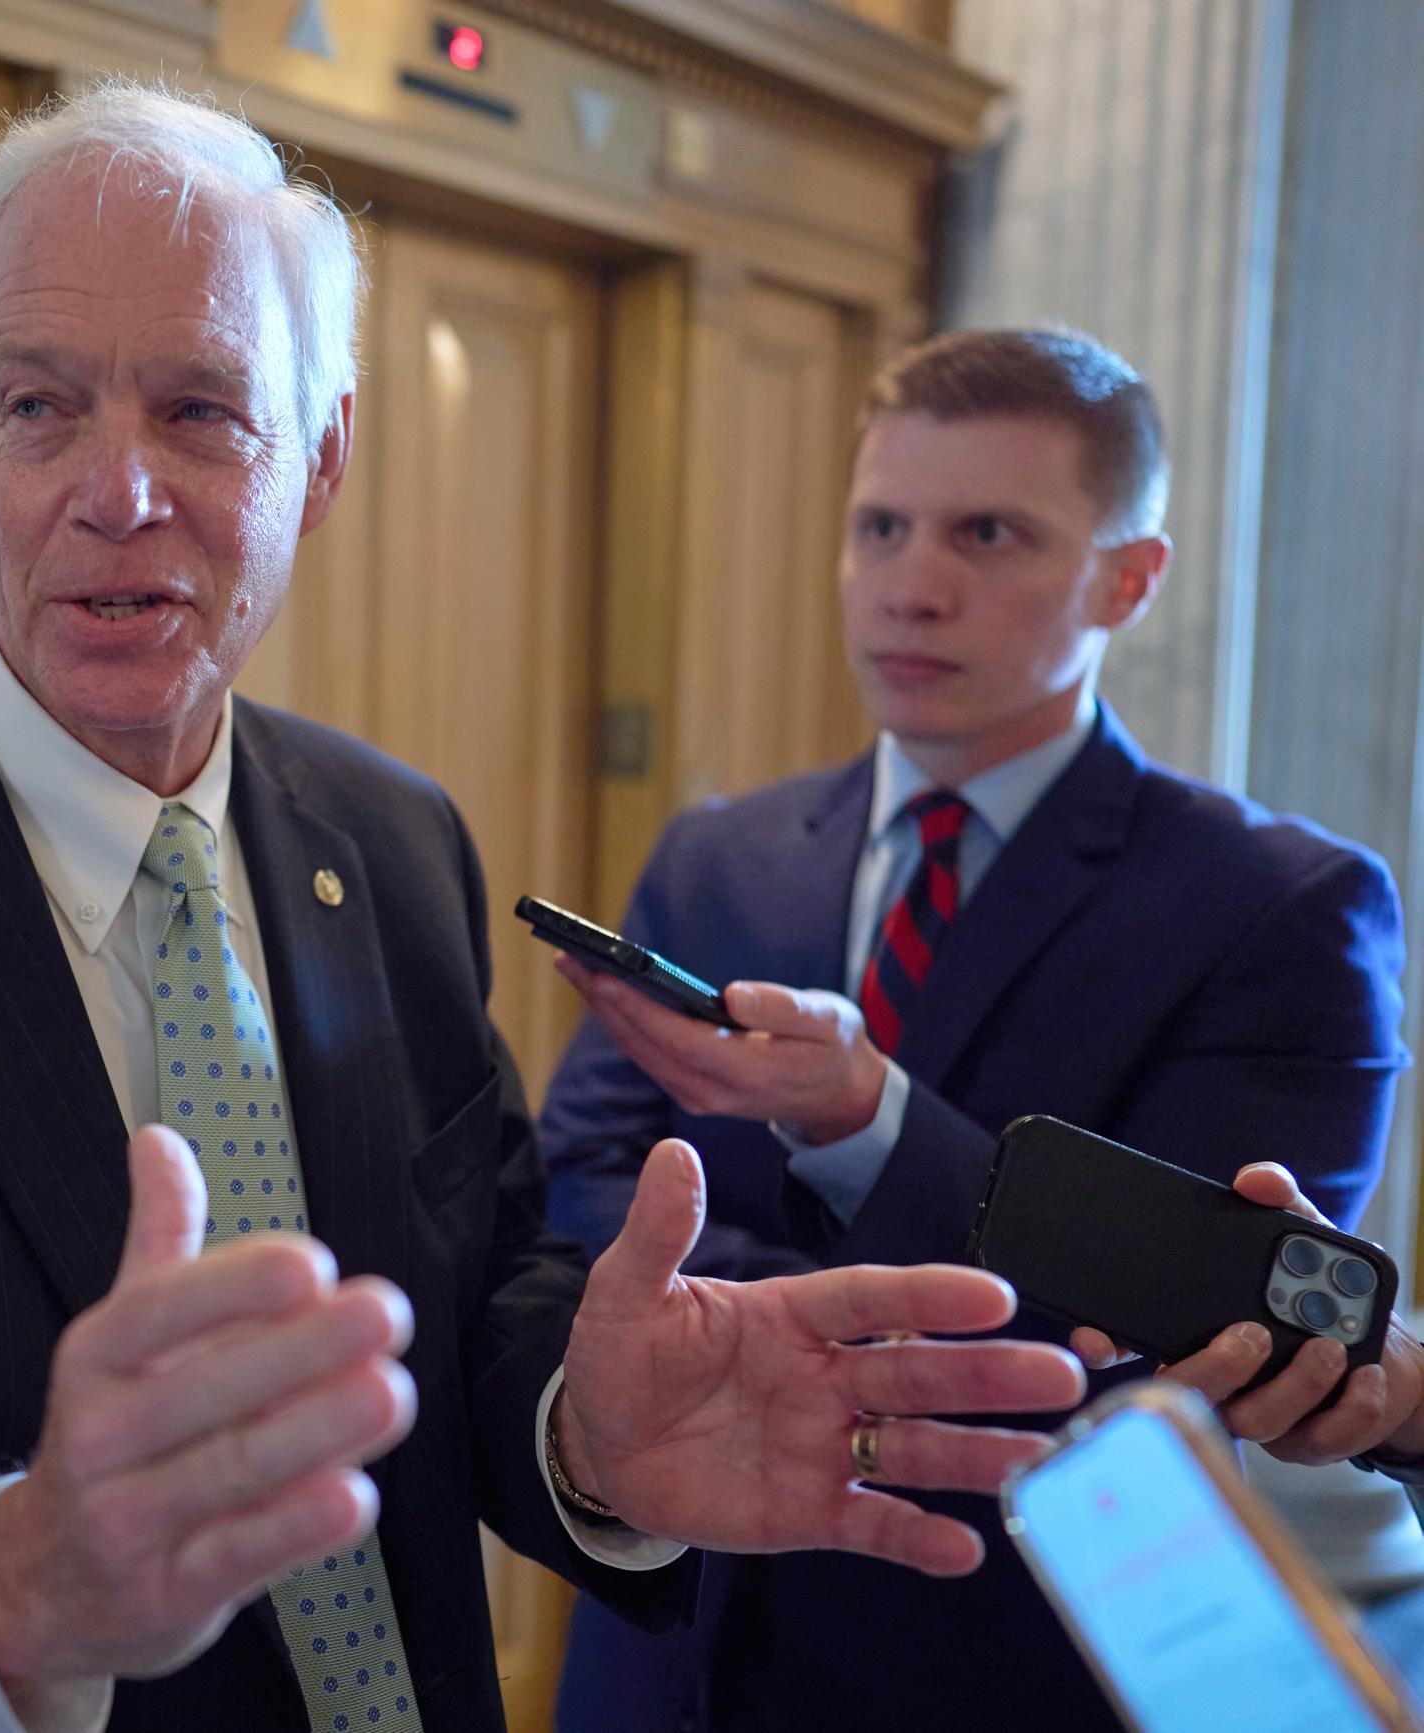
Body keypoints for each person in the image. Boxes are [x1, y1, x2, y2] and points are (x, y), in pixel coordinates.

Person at [0, 89, 1086, 1733]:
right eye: (38, 406)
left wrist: (586, 1434)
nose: (117, 489)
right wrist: (5, 1583)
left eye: (199, 410)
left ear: (321, 459)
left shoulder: (394, 838)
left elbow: (474, 1292)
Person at [535, 326, 1408, 1732]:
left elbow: (1186, 1323)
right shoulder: (722, 855)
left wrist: (867, 1120)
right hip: (670, 1639)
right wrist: (750, 1336)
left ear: (1130, 577)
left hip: (997, 1652)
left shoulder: (1282, 909)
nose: (912, 586)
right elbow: (580, 1172)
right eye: (881, 527)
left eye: (988, 534)